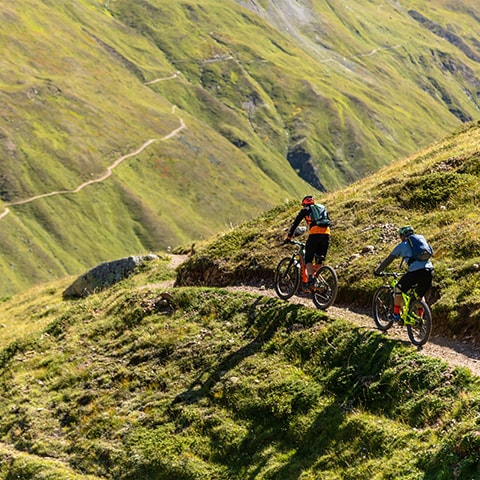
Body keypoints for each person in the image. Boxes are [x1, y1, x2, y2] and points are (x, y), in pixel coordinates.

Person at [374, 225, 434, 321]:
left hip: (415, 272)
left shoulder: (402, 245)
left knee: (398, 288)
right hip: (429, 271)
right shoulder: (420, 241)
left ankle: (396, 314)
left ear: (402, 236)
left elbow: (388, 260)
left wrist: (377, 271)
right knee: (419, 295)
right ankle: (420, 317)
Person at [285, 195, 331, 291]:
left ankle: (310, 281)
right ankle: (316, 281)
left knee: (308, 259)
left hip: (314, 234)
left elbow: (295, 224)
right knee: (319, 259)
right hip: (326, 234)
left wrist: (289, 237)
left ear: (304, 204)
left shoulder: (305, 210)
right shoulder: (321, 208)